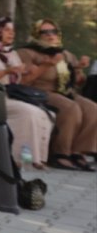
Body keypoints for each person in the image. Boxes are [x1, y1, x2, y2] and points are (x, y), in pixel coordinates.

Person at [0, 18, 53, 170]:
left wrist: (25, 72)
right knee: (28, 112)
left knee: (45, 113)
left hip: (5, 96)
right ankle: (19, 158)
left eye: (13, 30)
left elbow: (17, 81)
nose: (11, 33)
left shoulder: (9, 53)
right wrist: (7, 71)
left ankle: (35, 158)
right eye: (6, 30)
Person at [17, 19, 96, 170]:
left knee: (93, 109)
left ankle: (78, 152)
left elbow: (78, 81)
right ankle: (60, 153)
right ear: (36, 34)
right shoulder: (27, 52)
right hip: (40, 91)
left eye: (53, 31)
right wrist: (47, 64)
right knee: (71, 108)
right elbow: (23, 81)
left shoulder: (65, 54)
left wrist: (80, 69)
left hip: (67, 92)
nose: (50, 35)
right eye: (44, 32)